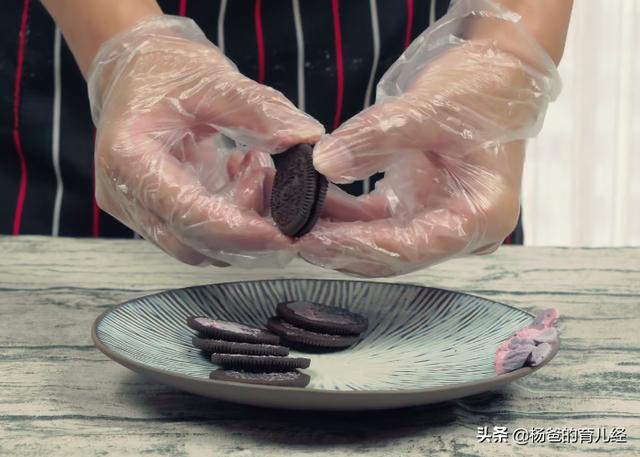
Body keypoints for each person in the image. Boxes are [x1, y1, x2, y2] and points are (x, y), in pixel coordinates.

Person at [1, 0, 572, 276]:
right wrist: (124, 49)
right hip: (84, 94)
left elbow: (507, 54)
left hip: (422, 84)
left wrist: (505, 57)